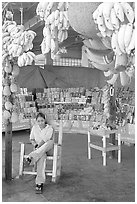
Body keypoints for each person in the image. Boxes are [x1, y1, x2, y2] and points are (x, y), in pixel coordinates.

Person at [25, 112, 54, 194]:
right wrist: (35, 144)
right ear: (36, 121)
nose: (40, 122)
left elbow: (45, 140)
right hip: (39, 151)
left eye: (42, 120)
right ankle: (39, 183)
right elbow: (31, 139)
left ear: (45, 120)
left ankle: (31, 157)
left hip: (46, 148)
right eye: (38, 121)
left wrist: (38, 147)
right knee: (41, 157)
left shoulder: (49, 128)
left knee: (50, 142)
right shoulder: (34, 128)